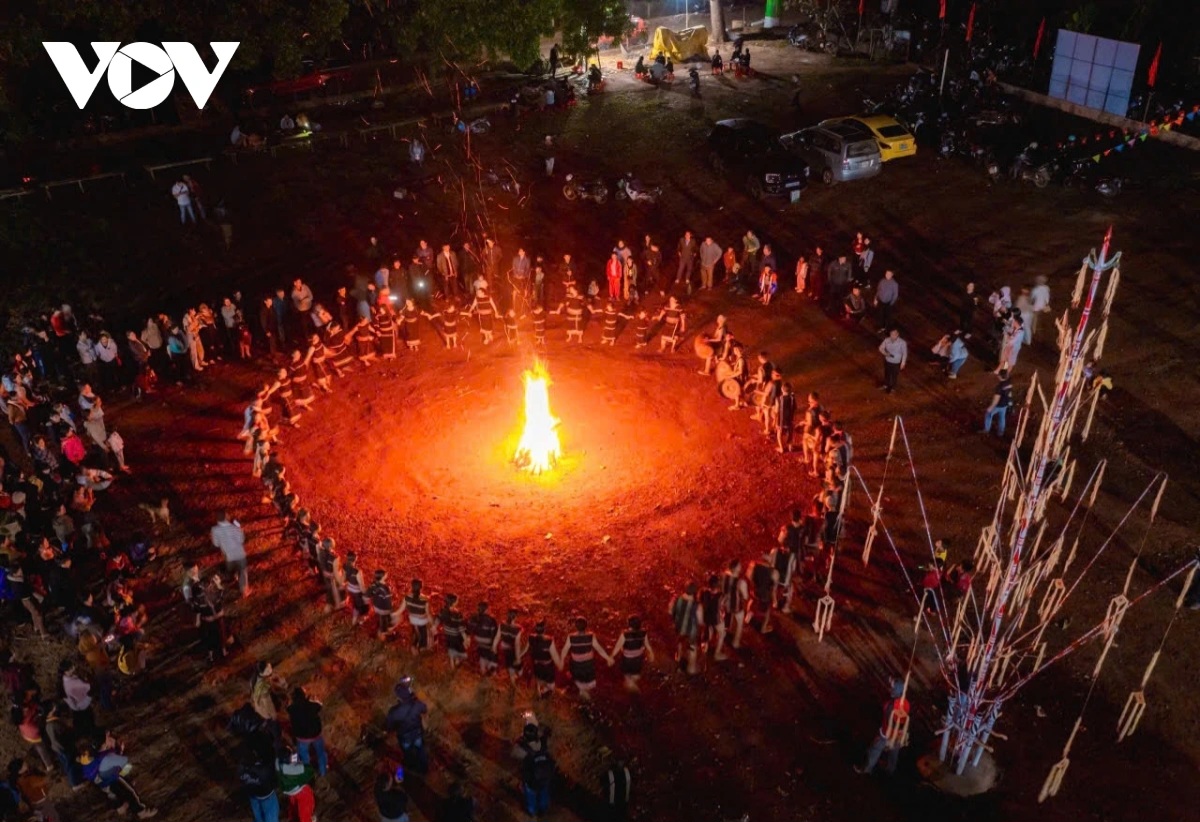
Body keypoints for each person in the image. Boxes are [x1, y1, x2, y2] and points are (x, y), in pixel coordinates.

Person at [855, 679, 910, 776]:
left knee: (875, 750)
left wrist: (882, 735)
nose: (891, 689)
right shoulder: (906, 704)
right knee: (894, 754)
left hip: (887, 734)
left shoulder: (890, 706)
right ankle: (890, 771)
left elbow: (888, 723)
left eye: (893, 688)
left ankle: (867, 769)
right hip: (899, 735)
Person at [560, 617, 612, 699]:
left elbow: (564, 650)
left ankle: (583, 697)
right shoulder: (590, 636)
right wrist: (608, 658)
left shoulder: (571, 637)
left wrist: (561, 661)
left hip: (577, 666)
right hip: (588, 666)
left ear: (575, 626)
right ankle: (585, 698)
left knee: (582, 687)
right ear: (586, 626)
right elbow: (599, 649)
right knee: (585, 687)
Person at [385, 677, 429, 774]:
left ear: (398, 697)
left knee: (408, 754)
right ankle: (424, 769)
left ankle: (412, 770)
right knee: (421, 750)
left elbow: (389, 728)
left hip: (404, 738)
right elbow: (425, 710)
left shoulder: (393, 712)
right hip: (417, 733)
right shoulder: (416, 704)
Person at [513, 719, 554, 818]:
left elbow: (513, 754)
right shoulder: (542, 744)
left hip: (531, 782)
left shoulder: (522, 750)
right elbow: (546, 736)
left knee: (531, 797)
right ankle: (543, 809)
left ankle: (532, 812)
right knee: (543, 794)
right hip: (544, 780)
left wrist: (518, 742)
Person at [288, 687, 328, 777]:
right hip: (315, 735)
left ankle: (308, 774)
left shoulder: (291, 709)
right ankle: (323, 771)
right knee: (321, 753)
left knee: (304, 756)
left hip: (302, 738)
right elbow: (320, 705)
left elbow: (288, 709)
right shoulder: (311, 705)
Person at [610, 615, 653, 692]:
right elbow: (647, 645)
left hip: (627, 659)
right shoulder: (643, 633)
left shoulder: (625, 635)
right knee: (636, 674)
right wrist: (651, 653)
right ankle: (632, 684)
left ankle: (630, 685)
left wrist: (611, 656)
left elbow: (617, 647)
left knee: (627, 674)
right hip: (638, 659)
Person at [239, 744, 280, 822]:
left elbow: (241, 781)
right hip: (267, 796)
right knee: (271, 817)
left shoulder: (241, 768)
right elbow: (274, 781)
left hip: (253, 795)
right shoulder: (263, 770)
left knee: (258, 815)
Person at [211, 511, 249, 595]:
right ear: (226, 518)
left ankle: (234, 577)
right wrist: (241, 530)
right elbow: (241, 540)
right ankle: (244, 591)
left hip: (227, 554)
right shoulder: (234, 528)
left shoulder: (215, 529)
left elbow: (216, 544)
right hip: (238, 553)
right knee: (243, 571)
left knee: (232, 566)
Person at [276, 748, 316, 822]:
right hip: (301, 791)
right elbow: (309, 771)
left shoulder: (277, 764)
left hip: (289, 791)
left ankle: (293, 818)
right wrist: (299, 764)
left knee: (293, 807)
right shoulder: (295, 770)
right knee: (305, 812)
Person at [670, 584, 700, 675]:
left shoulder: (677, 600)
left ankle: (679, 657)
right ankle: (691, 668)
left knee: (680, 641)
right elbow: (701, 619)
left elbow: (670, 610)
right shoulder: (696, 605)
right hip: (691, 630)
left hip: (679, 627)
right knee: (692, 647)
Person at [983, 369, 1013, 437]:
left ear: (999, 376)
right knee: (1002, 418)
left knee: (988, 414)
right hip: (1005, 404)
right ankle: (1000, 433)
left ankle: (986, 430)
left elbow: (996, 399)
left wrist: (991, 407)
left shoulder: (999, 387)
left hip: (998, 405)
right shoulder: (1009, 383)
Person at [878, 328, 908, 394]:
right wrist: (885, 353)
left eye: (894, 334)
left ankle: (893, 388)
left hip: (896, 362)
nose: (892, 336)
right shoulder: (887, 340)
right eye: (891, 334)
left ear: (897, 335)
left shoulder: (902, 342)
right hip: (887, 361)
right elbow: (880, 348)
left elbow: (904, 353)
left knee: (894, 376)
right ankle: (886, 385)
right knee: (887, 374)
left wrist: (903, 363)